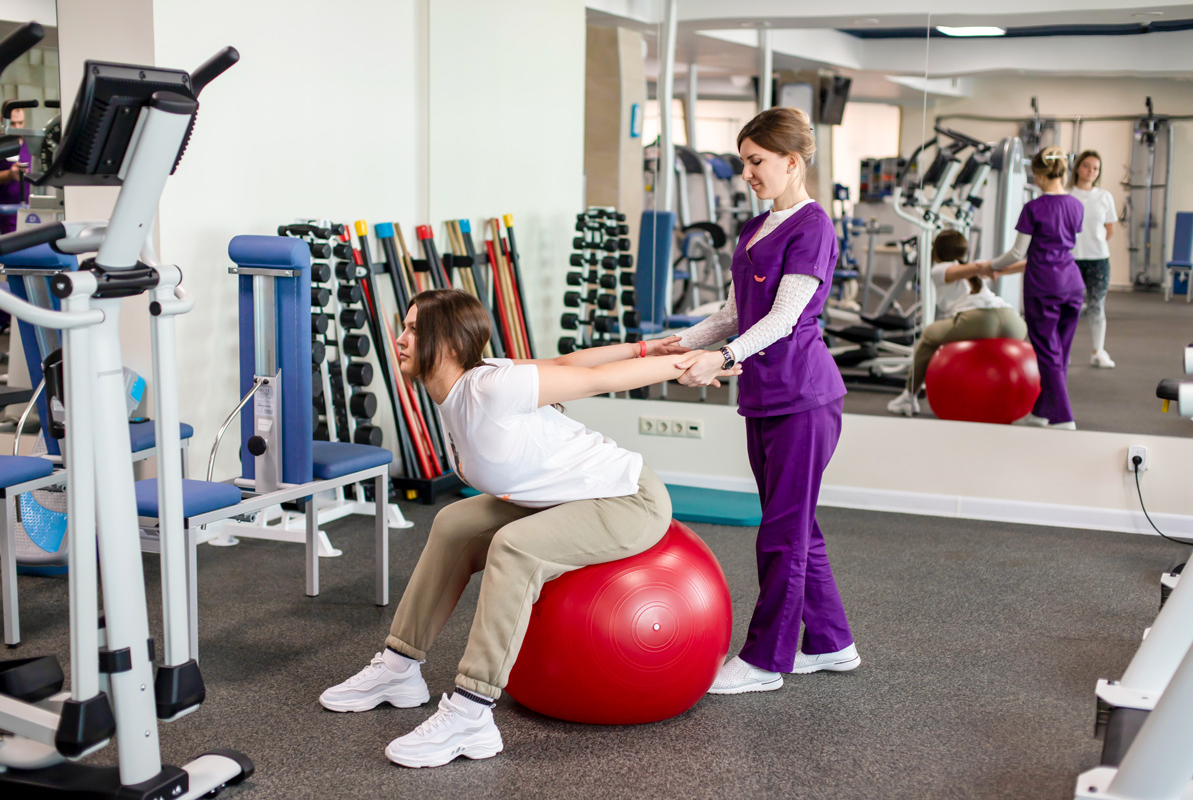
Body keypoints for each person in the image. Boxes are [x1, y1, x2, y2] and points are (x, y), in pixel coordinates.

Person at [318, 288, 737, 768]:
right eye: (405, 327)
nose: (400, 339)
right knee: (455, 523)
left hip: (626, 499)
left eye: (414, 329)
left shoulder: (491, 388)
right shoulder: (465, 385)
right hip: (564, 497)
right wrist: (643, 347)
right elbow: (565, 362)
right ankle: (399, 668)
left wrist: (693, 363)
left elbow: (595, 379)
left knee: (514, 547)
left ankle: (471, 713)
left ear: (449, 344)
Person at [671, 107, 859, 695]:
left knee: (781, 533)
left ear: (791, 162)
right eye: (744, 162)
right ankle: (831, 644)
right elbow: (733, 313)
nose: (747, 173)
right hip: (765, 396)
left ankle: (765, 661)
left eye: (756, 161)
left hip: (804, 397)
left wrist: (723, 358)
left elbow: (783, 318)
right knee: (796, 525)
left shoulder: (813, 227)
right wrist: (677, 344)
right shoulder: (756, 227)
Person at [972, 146, 1084, 429]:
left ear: (1040, 175)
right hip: (1072, 284)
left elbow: (1017, 252)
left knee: (1048, 353)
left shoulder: (1033, 208)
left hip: (1043, 286)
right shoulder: (1076, 205)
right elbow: (1064, 246)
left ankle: (1063, 417)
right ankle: (1041, 411)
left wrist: (989, 265)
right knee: (1060, 354)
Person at [886, 230, 1026, 416]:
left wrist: (987, 267)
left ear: (936, 251)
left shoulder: (939, 269)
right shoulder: (972, 268)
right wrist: (983, 267)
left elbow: (1002, 268)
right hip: (1014, 322)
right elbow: (982, 270)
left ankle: (908, 397)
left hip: (980, 321)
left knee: (928, 335)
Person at [1069, 150, 1117, 369]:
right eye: (1086, 166)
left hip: (1098, 260)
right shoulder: (1067, 194)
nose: (1091, 171)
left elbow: (1110, 229)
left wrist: (1094, 244)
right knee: (1069, 308)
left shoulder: (1104, 196)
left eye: (1095, 168)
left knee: (1096, 307)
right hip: (1070, 260)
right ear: (1078, 168)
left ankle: (1098, 352)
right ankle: (1063, 352)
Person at [0, 106, 30, 235]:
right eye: (13, 123)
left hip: (27, 210)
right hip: (3, 211)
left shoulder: (29, 143)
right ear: (2, 120)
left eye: (20, 123)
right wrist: (9, 174)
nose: (17, 127)